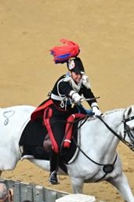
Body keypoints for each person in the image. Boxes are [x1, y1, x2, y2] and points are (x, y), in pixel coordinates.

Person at [33, 41, 102, 185]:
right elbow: (68, 91)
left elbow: (88, 93)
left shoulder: (81, 81)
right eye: (76, 74)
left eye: (80, 74)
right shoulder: (63, 82)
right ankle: (53, 171)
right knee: (56, 145)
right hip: (56, 115)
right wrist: (76, 97)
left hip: (71, 112)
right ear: (70, 72)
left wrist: (95, 106)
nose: (78, 76)